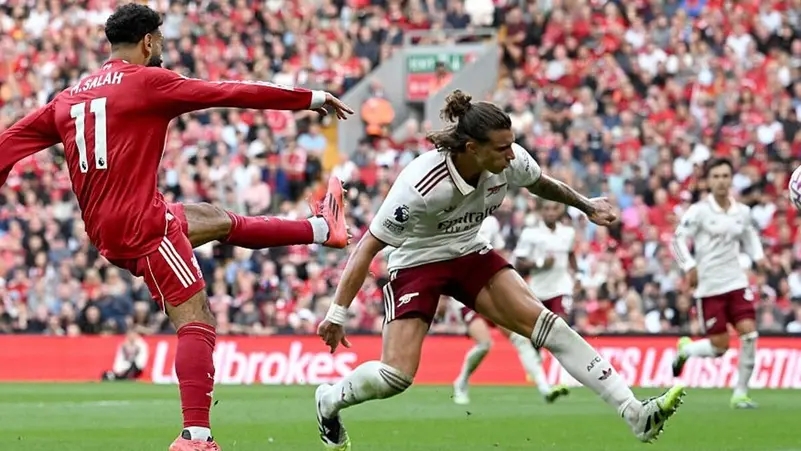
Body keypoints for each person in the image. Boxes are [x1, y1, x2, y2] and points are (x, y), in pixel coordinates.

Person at [0, 4, 353, 451]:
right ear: (148, 41)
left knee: (213, 218)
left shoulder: (68, 98)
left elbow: (8, 143)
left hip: (109, 226)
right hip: (143, 227)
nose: (163, 49)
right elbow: (229, 91)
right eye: (161, 41)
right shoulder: (149, 82)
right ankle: (196, 437)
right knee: (196, 318)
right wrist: (310, 98)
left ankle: (322, 229)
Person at [314, 90, 685, 451]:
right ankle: (329, 401)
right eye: (502, 148)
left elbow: (541, 184)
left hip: (469, 251)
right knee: (395, 377)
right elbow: (367, 247)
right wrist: (337, 314)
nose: (512, 155)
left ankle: (634, 412)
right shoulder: (419, 185)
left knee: (550, 327)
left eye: (512, 144)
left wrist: (586, 205)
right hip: (417, 261)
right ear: (472, 148)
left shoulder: (511, 159)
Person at [670, 157, 765, 409]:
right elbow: (677, 240)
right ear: (708, 181)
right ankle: (686, 350)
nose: (721, 181)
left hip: (736, 282)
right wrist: (689, 266)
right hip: (709, 286)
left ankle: (740, 394)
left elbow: (750, 236)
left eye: (725, 176)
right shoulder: (699, 211)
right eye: (716, 177)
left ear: (731, 179)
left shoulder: (742, 212)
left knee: (749, 334)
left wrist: (759, 257)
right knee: (719, 347)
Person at [450, 217, 568, 405]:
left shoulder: (491, 221)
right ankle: (461, 383)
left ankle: (544, 388)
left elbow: (499, 252)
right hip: (463, 294)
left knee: (520, 339)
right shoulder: (457, 217)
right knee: (484, 344)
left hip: (489, 292)